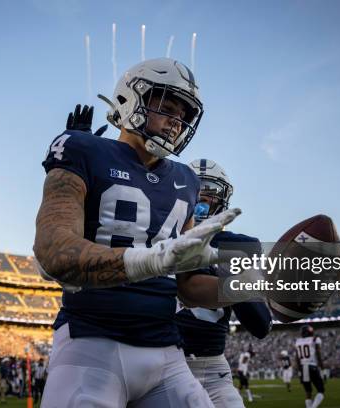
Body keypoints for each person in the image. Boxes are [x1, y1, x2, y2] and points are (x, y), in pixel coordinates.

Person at [35, 57, 242, 408]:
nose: (176, 121)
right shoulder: (82, 149)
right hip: (91, 341)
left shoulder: (186, 180)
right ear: (131, 98)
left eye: (184, 114)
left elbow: (188, 286)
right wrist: (152, 260)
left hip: (165, 352)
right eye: (167, 105)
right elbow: (54, 250)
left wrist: (264, 285)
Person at [175, 158, 272, 408]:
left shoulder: (237, 246)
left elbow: (260, 324)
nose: (201, 202)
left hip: (212, 368)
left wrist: (230, 272)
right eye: (195, 194)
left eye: (209, 196)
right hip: (164, 361)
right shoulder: (158, 238)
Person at [295, 325, 325, 408]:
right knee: (321, 390)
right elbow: (318, 355)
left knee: (308, 392)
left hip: (302, 367)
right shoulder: (315, 339)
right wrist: (322, 368)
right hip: (312, 366)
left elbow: (297, 358)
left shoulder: (298, 341)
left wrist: (299, 371)